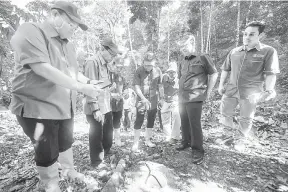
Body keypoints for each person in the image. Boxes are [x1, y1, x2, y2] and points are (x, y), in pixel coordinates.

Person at [9, 1, 103, 191]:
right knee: (47, 150)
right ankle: (50, 183)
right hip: (38, 108)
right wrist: (82, 88)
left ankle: (69, 170)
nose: (74, 29)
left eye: (76, 26)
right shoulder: (31, 31)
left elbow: (72, 73)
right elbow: (43, 68)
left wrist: (89, 83)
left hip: (63, 107)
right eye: (72, 24)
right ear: (55, 16)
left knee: (65, 140)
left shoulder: (68, 45)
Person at [218, 21, 279, 144]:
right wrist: (220, 85)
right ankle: (227, 137)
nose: (247, 37)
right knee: (225, 113)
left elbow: (270, 74)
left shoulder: (268, 51)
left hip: (250, 92)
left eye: (251, 34)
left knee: (246, 118)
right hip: (231, 90)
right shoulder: (234, 51)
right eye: (245, 34)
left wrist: (267, 91)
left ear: (260, 36)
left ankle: (240, 140)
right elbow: (225, 69)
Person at [177, 34, 218, 164]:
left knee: (194, 124)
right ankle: (186, 142)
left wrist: (209, 90)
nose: (183, 49)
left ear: (192, 44)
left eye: (185, 46)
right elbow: (180, 77)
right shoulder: (182, 60)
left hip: (195, 96)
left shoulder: (202, 57)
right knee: (184, 121)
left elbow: (214, 73)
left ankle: (198, 150)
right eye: (181, 47)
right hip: (182, 96)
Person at [83, 38, 122, 167]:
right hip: (95, 105)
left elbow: (102, 85)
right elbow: (90, 87)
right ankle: (96, 161)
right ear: (103, 49)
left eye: (114, 55)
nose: (112, 57)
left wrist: (111, 92)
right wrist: (95, 109)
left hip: (106, 104)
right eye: (111, 54)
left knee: (108, 130)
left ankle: (106, 150)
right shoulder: (92, 62)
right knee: (96, 133)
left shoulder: (105, 64)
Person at [132, 52, 164, 151]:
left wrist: (162, 98)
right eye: (145, 65)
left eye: (150, 65)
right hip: (142, 99)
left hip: (153, 99)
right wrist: (143, 98)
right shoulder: (139, 71)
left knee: (151, 119)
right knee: (139, 120)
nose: (147, 67)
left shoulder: (158, 71)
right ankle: (136, 142)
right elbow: (136, 86)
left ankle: (148, 140)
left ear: (154, 63)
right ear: (143, 63)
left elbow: (160, 85)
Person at [160, 62, 181, 143]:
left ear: (176, 72)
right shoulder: (164, 77)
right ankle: (168, 136)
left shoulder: (179, 79)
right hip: (166, 100)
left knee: (176, 115)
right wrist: (161, 99)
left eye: (173, 72)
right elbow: (161, 87)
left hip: (176, 100)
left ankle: (175, 137)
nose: (171, 74)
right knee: (164, 114)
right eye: (170, 72)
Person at [110, 61, 127, 146]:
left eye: (121, 68)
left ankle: (117, 140)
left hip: (119, 104)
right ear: (113, 66)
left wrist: (125, 94)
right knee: (108, 123)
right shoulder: (108, 77)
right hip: (108, 105)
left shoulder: (122, 79)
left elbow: (125, 90)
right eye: (117, 67)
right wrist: (112, 95)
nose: (119, 69)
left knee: (117, 122)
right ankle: (108, 142)